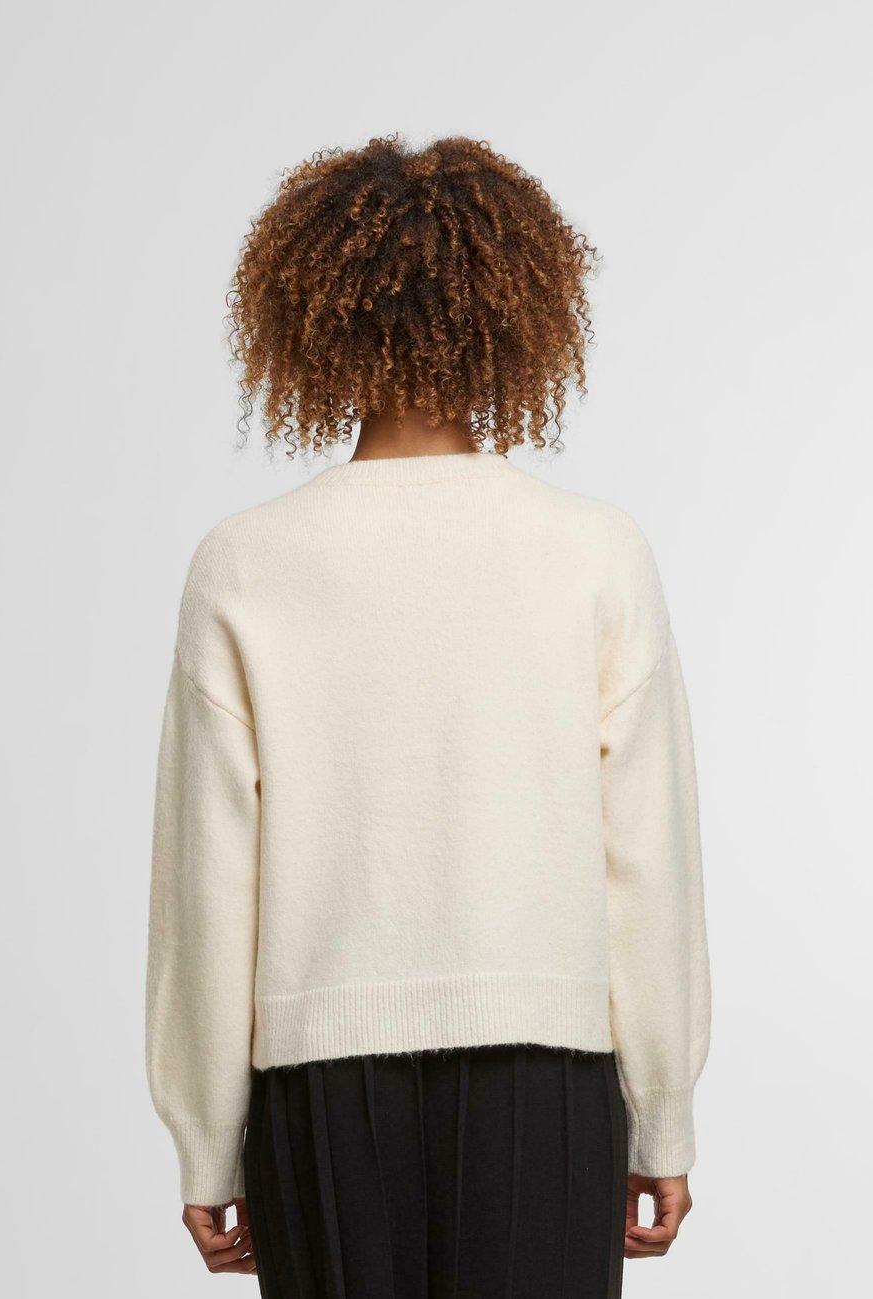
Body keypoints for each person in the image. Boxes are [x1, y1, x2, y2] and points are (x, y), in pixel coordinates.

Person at [146, 134, 710, 1297]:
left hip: (316, 1083)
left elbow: (208, 878)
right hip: (548, 1073)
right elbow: (647, 859)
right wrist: (662, 1113)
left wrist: (206, 1137)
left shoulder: (245, 564)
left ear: (314, 321)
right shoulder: (595, 553)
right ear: (518, 315)